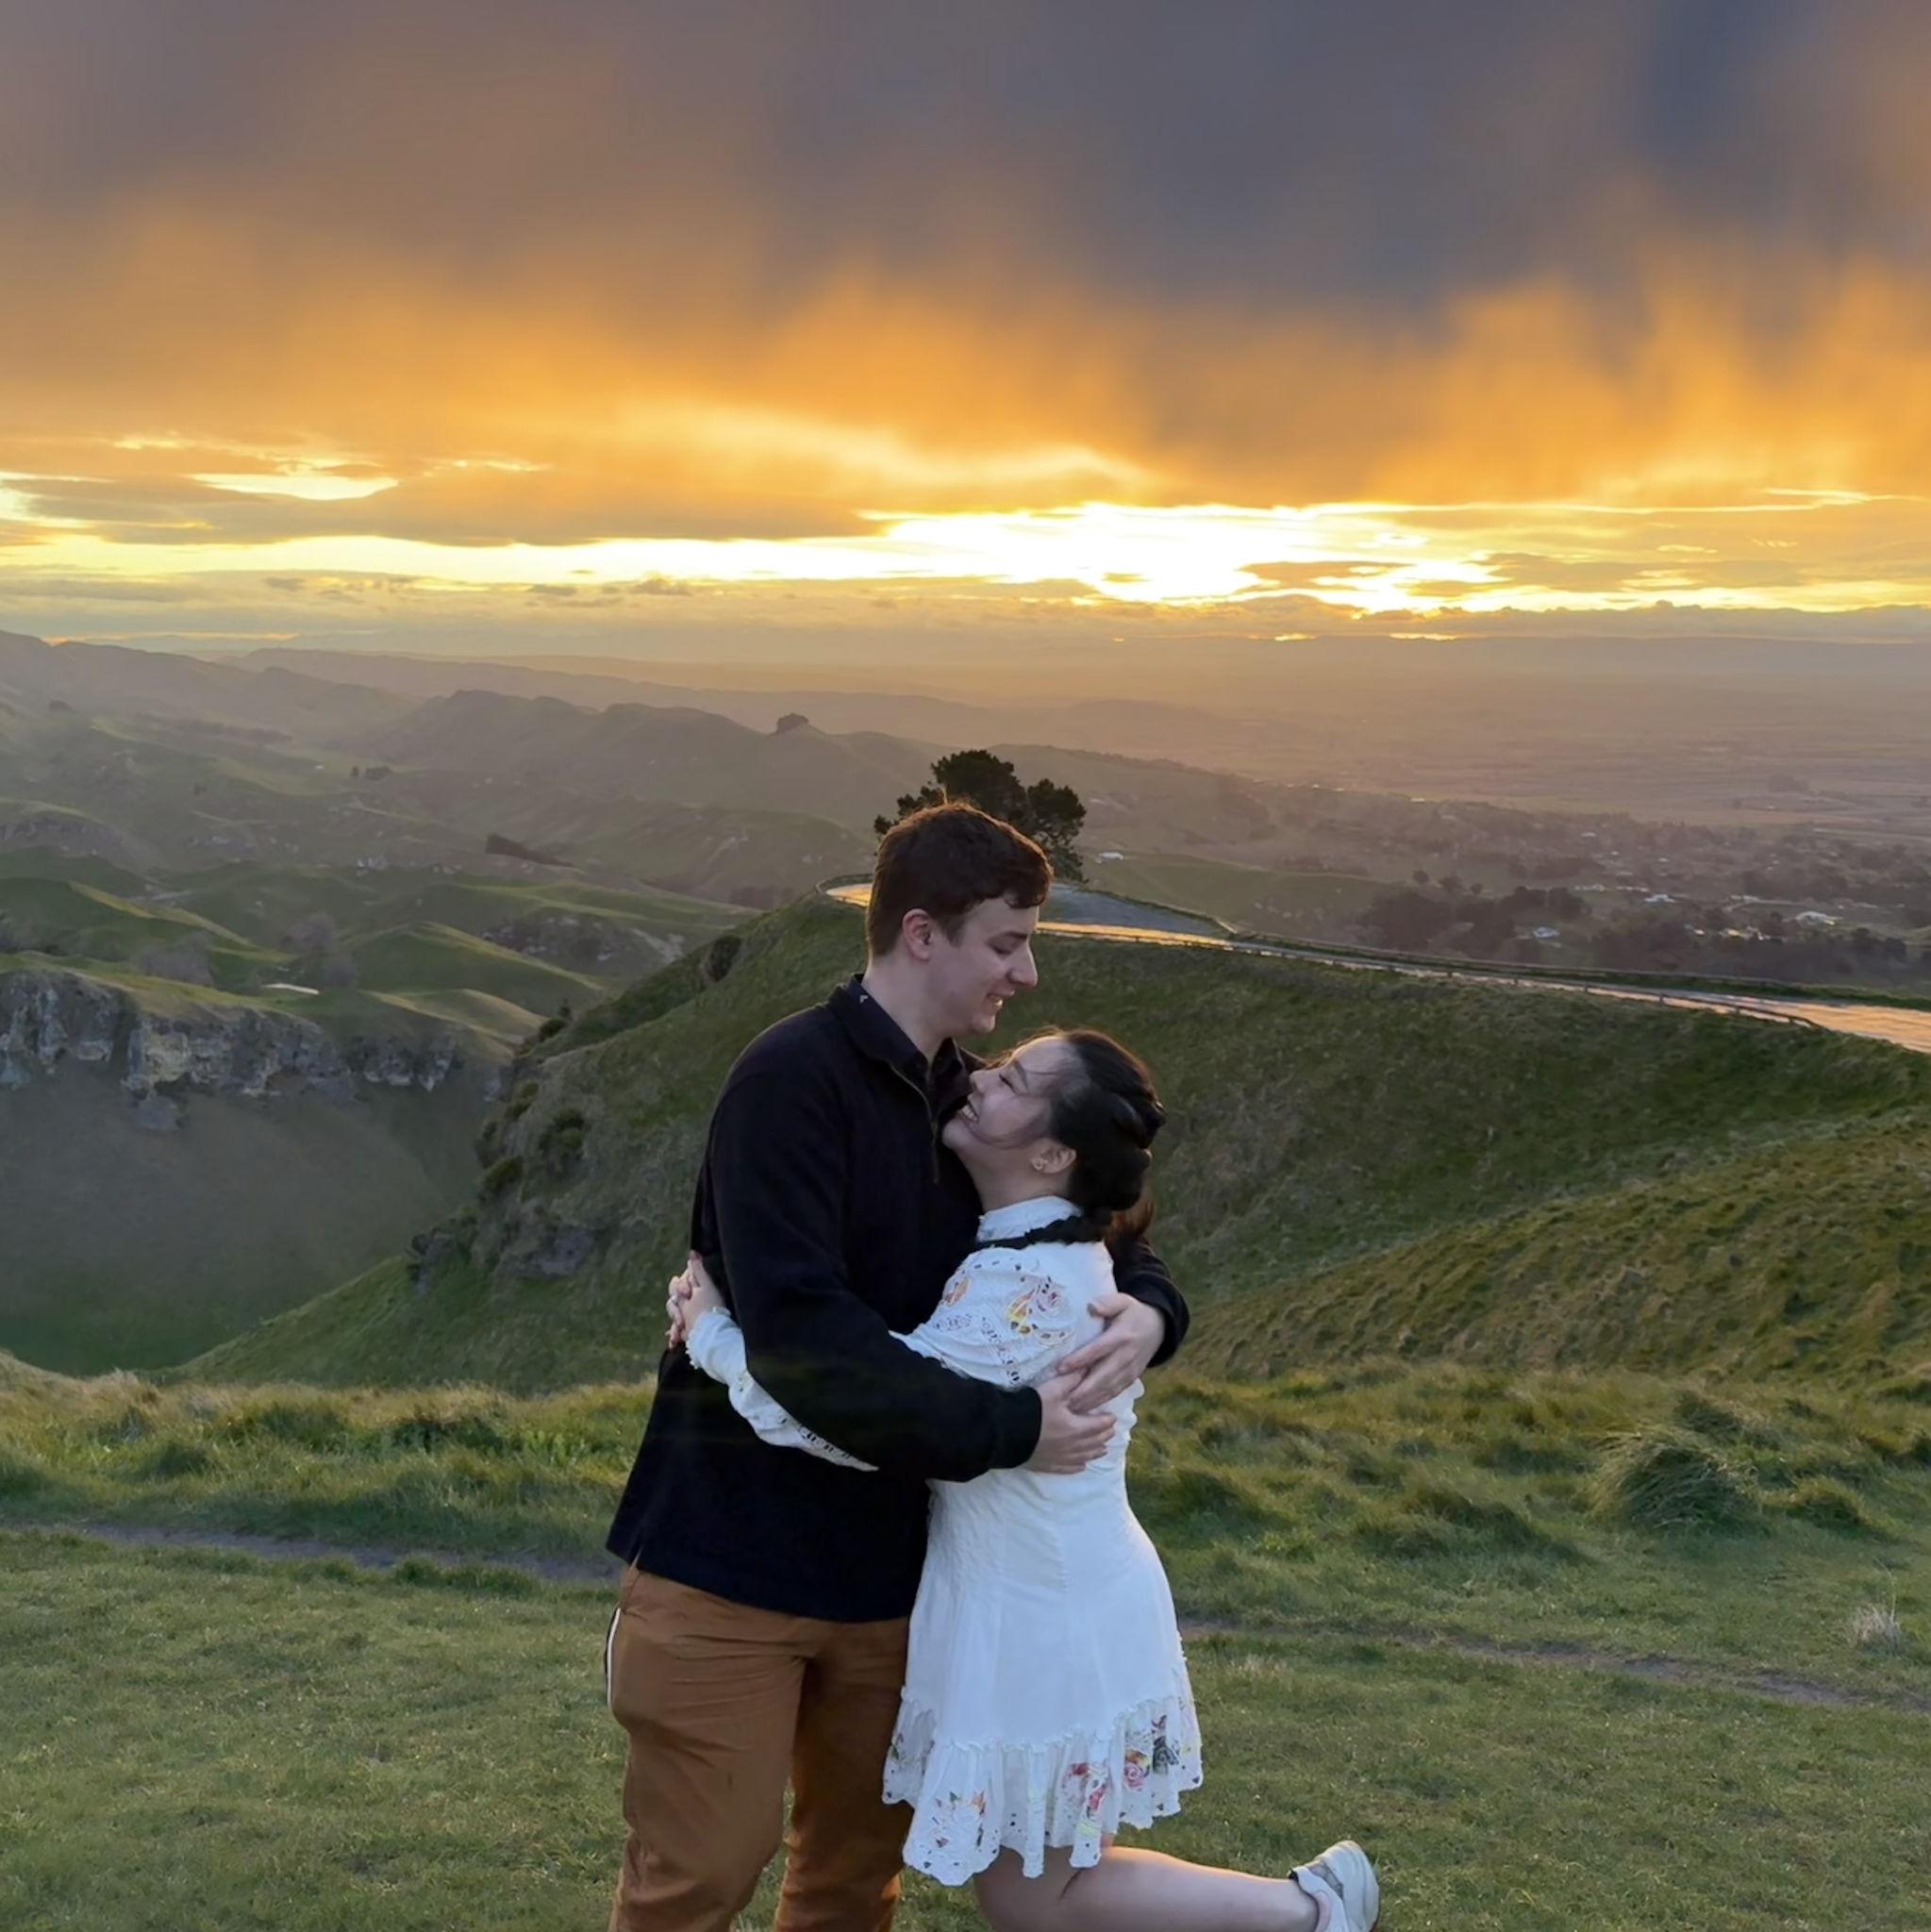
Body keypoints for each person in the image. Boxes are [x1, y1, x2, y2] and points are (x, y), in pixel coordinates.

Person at [602, 803, 1190, 1932]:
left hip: (894, 1586)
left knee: (848, 1882)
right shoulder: (788, 1082)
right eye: (1006, 941)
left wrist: (1154, 1315)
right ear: (922, 934)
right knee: (698, 1875)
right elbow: (811, 1346)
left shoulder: (970, 1104)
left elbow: (1102, 1231)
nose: (1027, 971)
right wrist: (1016, 1428)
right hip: (730, 1558)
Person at [676, 1027, 1381, 1932]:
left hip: (1041, 1615)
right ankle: (1307, 1909)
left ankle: (1308, 1910)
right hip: (1051, 1593)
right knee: (1036, 1893)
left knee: (1035, 1897)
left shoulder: (1027, 1292)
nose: (977, 1082)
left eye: (1010, 1080)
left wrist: (711, 1334)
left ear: (1051, 1153)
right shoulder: (1038, 1258)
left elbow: (852, 1423)